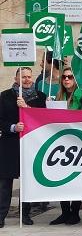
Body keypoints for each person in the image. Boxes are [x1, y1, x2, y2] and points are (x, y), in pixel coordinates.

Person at [0, 67, 47, 228]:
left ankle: (25, 213)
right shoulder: (5, 96)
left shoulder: (40, 96)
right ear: (16, 78)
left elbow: (44, 118)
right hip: (9, 144)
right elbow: (1, 120)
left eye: (29, 77)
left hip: (31, 143)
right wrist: (13, 127)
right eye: (23, 77)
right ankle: (1, 215)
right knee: (5, 182)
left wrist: (26, 108)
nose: (27, 80)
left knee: (27, 181)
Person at [49, 67, 82, 225]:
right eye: (64, 77)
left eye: (70, 77)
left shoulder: (81, 94)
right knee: (62, 178)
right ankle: (65, 212)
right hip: (62, 141)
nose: (67, 79)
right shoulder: (58, 96)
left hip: (78, 141)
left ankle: (75, 213)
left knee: (76, 178)